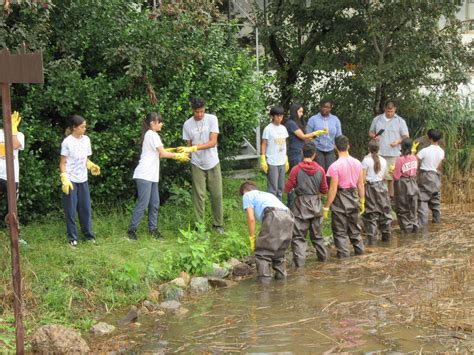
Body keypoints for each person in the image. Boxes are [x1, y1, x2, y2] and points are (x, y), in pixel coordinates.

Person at [127, 112, 190, 241]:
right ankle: (131, 231)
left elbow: (161, 153)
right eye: (159, 121)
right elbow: (163, 153)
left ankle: (153, 230)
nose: (162, 124)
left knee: (155, 203)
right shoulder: (152, 134)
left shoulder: (150, 135)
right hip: (144, 175)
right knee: (143, 203)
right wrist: (178, 156)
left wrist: (173, 151)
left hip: (151, 175)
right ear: (152, 123)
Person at [178, 97, 224, 234]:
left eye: (201, 111)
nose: (199, 114)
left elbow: (213, 142)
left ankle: (218, 224)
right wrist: (183, 155)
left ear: (205, 109)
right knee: (199, 196)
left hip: (212, 161)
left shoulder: (212, 119)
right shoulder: (187, 124)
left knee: (216, 194)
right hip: (197, 163)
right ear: (192, 110)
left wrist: (193, 149)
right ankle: (200, 226)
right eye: (196, 112)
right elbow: (188, 146)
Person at [284, 142, 328, 267]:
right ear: (314, 154)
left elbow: (288, 188)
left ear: (302, 153)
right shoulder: (320, 170)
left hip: (300, 206)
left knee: (298, 238)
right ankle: (324, 263)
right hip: (316, 206)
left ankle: (299, 267)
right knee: (318, 237)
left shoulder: (296, 169)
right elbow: (324, 189)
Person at [240, 180, 294, 280]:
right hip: (289, 216)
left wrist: (252, 238)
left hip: (274, 215)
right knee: (279, 253)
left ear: (244, 192)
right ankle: (282, 283)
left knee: (262, 253)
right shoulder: (266, 194)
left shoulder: (247, 195)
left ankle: (264, 287)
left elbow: (251, 219)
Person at [59, 115, 101, 247]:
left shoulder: (86, 140)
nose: (85, 128)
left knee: (85, 209)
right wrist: (64, 178)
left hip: (83, 179)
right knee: (71, 210)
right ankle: (72, 238)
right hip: (71, 181)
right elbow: (62, 163)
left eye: (85, 126)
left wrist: (91, 165)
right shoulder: (67, 142)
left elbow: (84, 159)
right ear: (74, 128)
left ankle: (88, 235)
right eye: (82, 126)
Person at [323, 135, 365, 258]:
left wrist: (326, 206)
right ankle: (360, 255)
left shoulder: (334, 166)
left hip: (340, 198)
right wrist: (362, 201)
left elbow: (333, 189)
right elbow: (361, 185)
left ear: (335, 147)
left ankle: (344, 259)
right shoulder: (358, 163)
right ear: (348, 146)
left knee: (340, 231)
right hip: (353, 197)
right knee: (355, 230)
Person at [285, 103, 327, 206]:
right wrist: (316, 132)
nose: (301, 114)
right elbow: (303, 136)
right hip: (295, 152)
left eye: (302, 112)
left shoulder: (298, 124)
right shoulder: (291, 123)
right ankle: (291, 202)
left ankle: (301, 200)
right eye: (300, 112)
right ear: (295, 112)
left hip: (301, 151)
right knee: (294, 177)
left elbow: (306, 138)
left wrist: (317, 135)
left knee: (301, 176)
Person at [368, 100, 409, 200]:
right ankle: (382, 197)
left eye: (392, 111)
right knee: (380, 175)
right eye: (388, 111)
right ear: (384, 109)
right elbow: (370, 132)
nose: (390, 113)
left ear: (395, 109)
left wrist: (398, 142)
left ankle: (392, 197)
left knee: (392, 177)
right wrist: (374, 136)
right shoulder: (377, 119)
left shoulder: (400, 121)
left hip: (394, 153)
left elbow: (406, 136)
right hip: (379, 153)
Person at [0, 111, 27, 245]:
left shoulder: (19, 135)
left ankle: (15, 236)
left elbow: (15, 145)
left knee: (12, 209)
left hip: (12, 177)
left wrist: (14, 131)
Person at [361, 140, 392, 245]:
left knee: (371, 214)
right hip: (382, 188)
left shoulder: (366, 160)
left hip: (371, 188)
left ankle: (371, 242)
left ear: (369, 149)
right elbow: (383, 176)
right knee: (384, 213)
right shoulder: (383, 160)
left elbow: (363, 178)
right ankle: (386, 239)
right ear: (379, 149)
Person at [416, 129, 444, 227]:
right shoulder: (441, 151)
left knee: (423, 199)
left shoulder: (425, 150)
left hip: (425, 175)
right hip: (436, 176)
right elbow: (438, 165)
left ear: (429, 138)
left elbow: (415, 160)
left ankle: (423, 226)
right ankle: (437, 223)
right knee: (435, 200)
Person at [260, 106, 289, 200]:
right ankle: (271, 208)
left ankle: (279, 207)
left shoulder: (283, 128)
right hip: (272, 161)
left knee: (280, 187)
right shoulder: (268, 129)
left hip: (282, 161)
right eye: (278, 116)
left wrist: (286, 158)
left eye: (281, 116)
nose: (280, 118)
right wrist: (263, 159)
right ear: (272, 116)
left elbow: (284, 143)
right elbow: (264, 144)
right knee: (273, 188)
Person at [306, 99, 341, 173]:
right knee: (320, 172)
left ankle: (329, 185)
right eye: (323, 107)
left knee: (331, 172)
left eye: (327, 107)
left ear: (331, 108)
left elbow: (339, 137)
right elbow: (307, 137)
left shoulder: (335, 120)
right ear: (320, 107)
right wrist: (317, 135)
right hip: (317, 149)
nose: (325, 109)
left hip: (330, 149)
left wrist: (338, 149)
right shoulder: (313, 119)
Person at [392, 138, 419, 234]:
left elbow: (396, 176)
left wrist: (392, 171)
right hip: (413, 183)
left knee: (402, 208)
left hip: (403, 184)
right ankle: (414, 226)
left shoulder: (400, 159)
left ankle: (406, 230)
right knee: (413, 207)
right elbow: (415, 172)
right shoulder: (414, 158)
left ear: (401, 147)